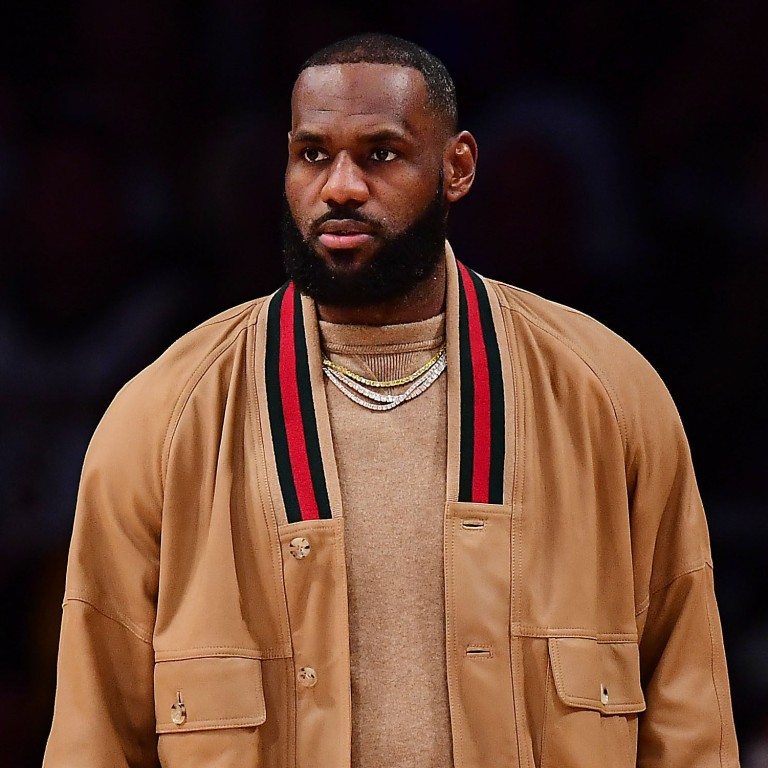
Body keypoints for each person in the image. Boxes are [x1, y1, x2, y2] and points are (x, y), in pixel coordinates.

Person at [44, 33, 739, 768]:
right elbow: (93, 737)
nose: (340, 186)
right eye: (313, 154)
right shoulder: (164, 416)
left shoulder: (608, 396)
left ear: (458, 167)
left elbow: (689, 720)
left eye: (381, 153)